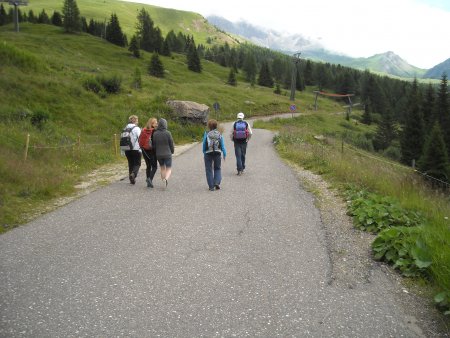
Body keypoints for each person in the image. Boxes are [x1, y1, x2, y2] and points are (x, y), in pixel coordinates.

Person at [202, 119, 227, 191]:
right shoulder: (219, 133)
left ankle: (211, 186)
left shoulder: (206, 133)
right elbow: (222, 145)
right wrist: (224, 154)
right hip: (217, 152)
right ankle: (217, 182)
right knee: (217, 168)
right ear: (216, 126)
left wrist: (204, 151)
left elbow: (204, 143)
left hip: (208, 153)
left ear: (209, 126)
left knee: (209, 169)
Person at [151, 118, 174, 188]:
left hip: (158, 154)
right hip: (167, 153)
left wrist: (155, 152)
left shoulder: (155, 133)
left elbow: (154, 145)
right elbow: (171, 144)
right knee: (169, 168)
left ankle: (163, 180)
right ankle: (166, 179)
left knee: (162, 168)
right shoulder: (168, 133)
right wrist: (172, 151)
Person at [139, 118, 158, 188]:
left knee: (148, 166)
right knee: (155, 167)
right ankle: (150, 179)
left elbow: (140, 141)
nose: (157, 124)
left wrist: (142, 147)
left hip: (144, 151)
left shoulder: (143, 130)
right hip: (152, 151)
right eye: (156, 123)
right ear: (152, 124)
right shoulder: (154, 131)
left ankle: (148, 182)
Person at [124, 115, 141, 184]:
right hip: (136, 148)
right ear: (135, 120)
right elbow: (140, 138)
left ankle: (131, 180)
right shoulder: (137, 128)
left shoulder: (125, 128)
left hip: (126, 148)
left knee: (130, 163)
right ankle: (133, 174)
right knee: (137, 163)